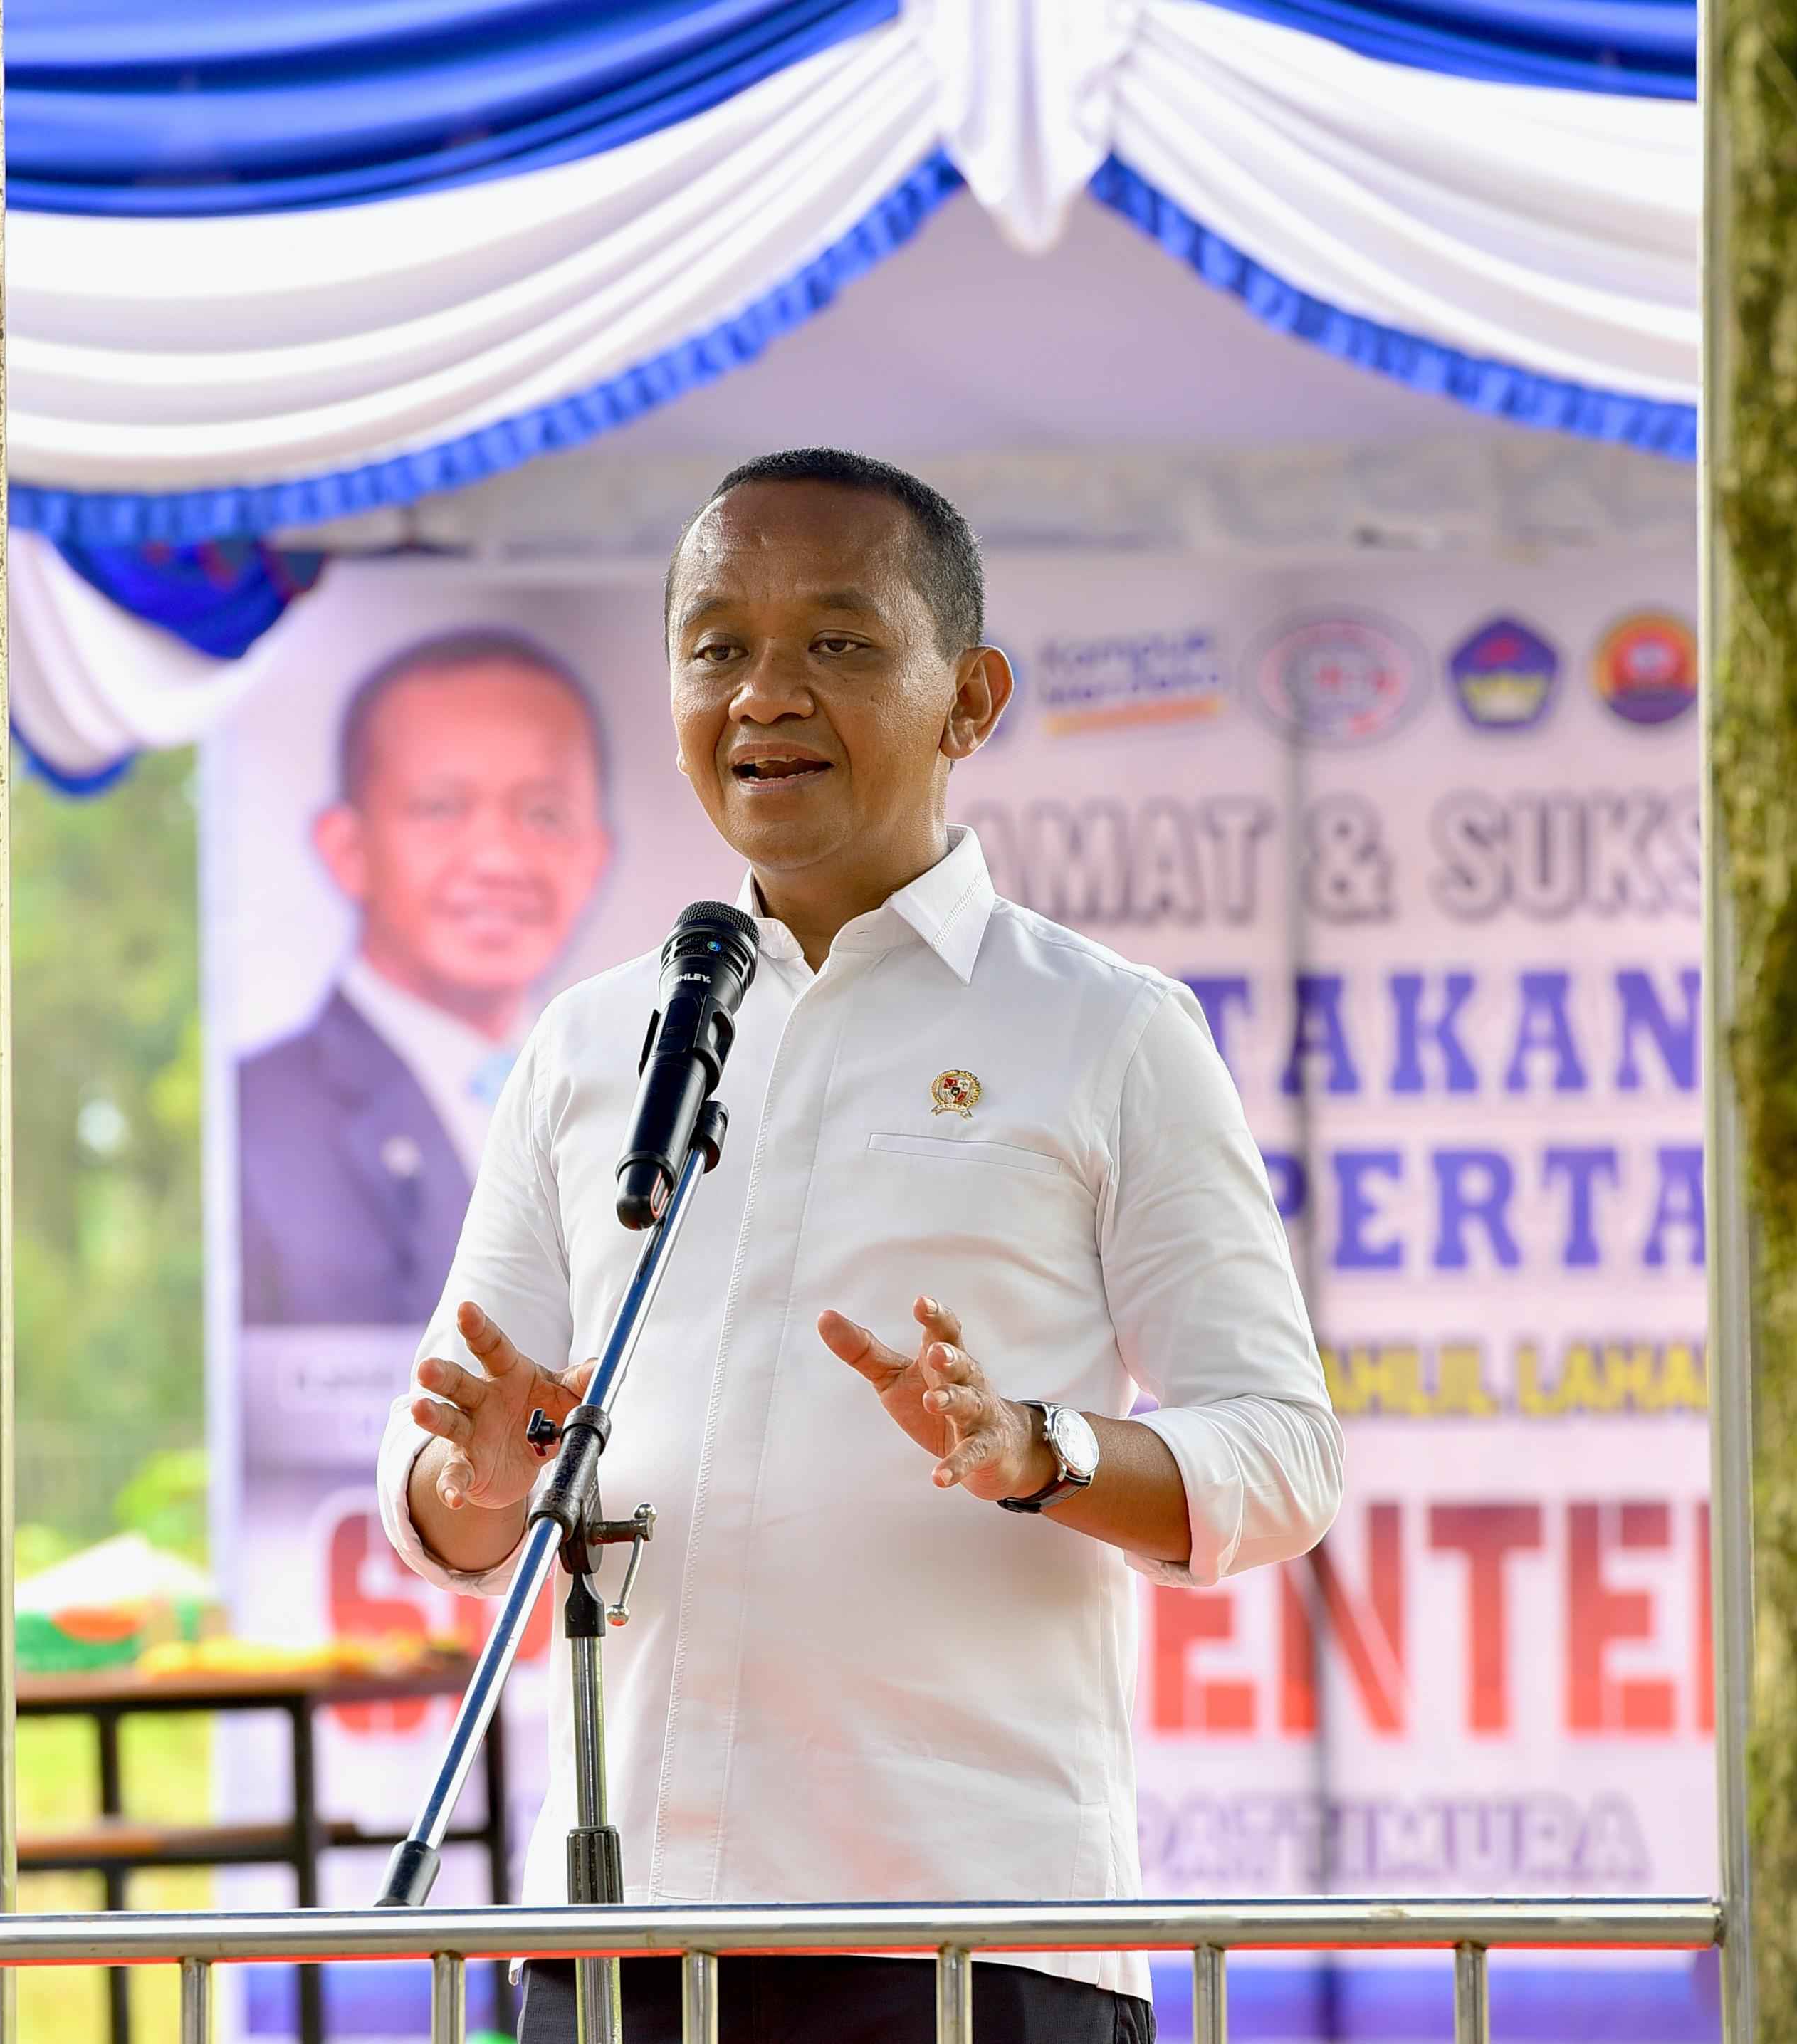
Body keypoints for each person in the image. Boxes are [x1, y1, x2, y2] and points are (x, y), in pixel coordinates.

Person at [375, 449, 1342, 2043]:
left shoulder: (1106, 1032)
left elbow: (1283, 1450)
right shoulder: (595, 1043)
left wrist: (1037, 1447)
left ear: (971, 698)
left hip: (965, 1933)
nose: (763, 693)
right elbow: (436, 1488)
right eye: (715, 646)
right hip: (616, 1937)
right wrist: (475, 1481)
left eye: (836, 642)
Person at [236, 630, 613, 1326]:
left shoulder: (642, 1102)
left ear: (595, 857)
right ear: (347, 849)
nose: (499, 859)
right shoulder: (254, 1121)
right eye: (441, 808)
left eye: (544, 814)